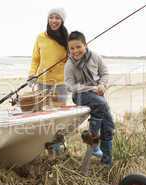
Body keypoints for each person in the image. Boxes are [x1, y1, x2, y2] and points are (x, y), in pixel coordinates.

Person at [64, 31, 115, 166]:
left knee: (108, 125)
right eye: (72, 48)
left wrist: (103, 85)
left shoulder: (95, 57)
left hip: (98, 93)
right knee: (102, 104)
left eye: (78, 47)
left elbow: (104, 73)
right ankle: (93, 140)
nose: (75, 51)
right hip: (80, 95)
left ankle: (106, 162)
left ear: (85, 45)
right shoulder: (69, 64)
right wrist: (87, 88)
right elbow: (69, 86)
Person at [28, 7, 69, 106]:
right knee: (42, 111)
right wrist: (32, 74)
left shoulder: (68, 38)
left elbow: (74, 59)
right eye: (51, 17)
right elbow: (35, 59)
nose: (54, 20)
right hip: (43, 82)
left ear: (62, 21)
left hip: (61, 83)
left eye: (57, 18)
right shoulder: (41, 37)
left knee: (59, 112)